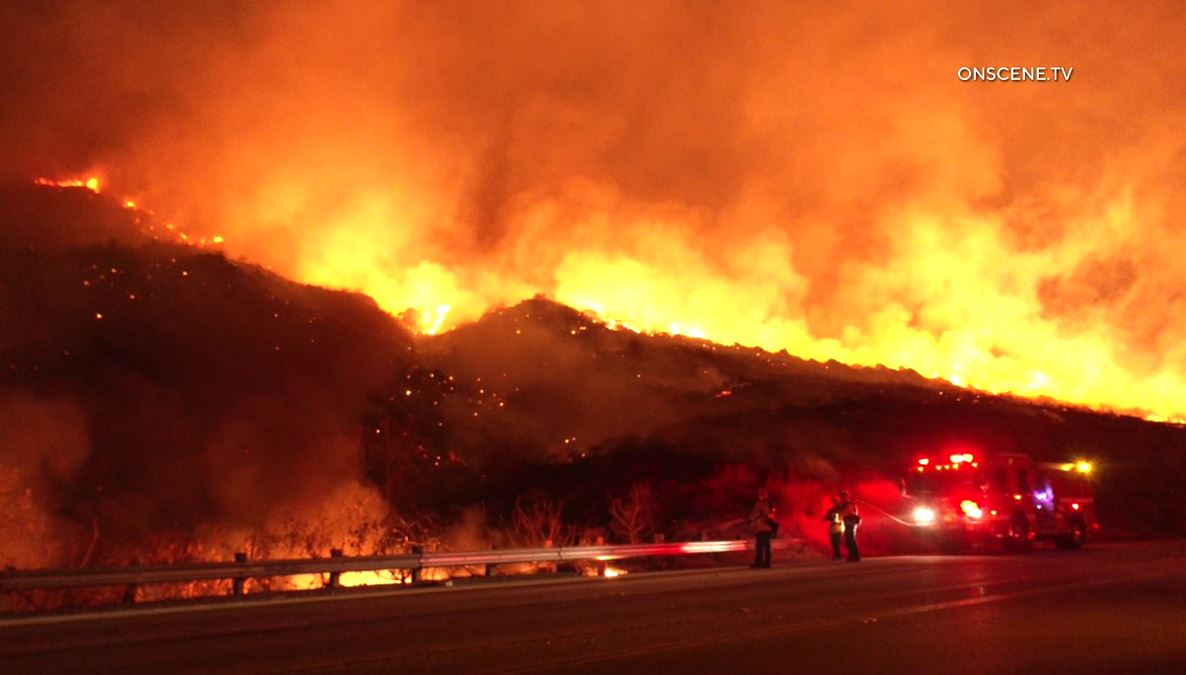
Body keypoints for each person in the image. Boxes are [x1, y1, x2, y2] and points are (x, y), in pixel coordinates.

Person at [749, 488, 774, 568]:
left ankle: (765, 563)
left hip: (766, 528)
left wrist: (754, 520)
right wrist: (751, 520)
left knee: (765, 546)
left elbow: (766, 515)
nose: (761, 496)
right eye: (760, 494)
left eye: (762, 494)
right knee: (760, 546)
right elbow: (754, 514)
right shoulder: (759, 504)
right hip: (761, 528)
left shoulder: (767, 504)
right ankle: (760, 563)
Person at [837, 489, 861, 561]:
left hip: (851, 522)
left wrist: (841, 511)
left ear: (847, 496)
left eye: (843, 496)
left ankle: (855, 556)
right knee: (849, 539)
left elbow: (850, 512)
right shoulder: (844, 504)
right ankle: (852, 555)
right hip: (847, 522)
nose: (842, 498)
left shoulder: (849, 504)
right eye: (841, 496)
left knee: (851, 539)